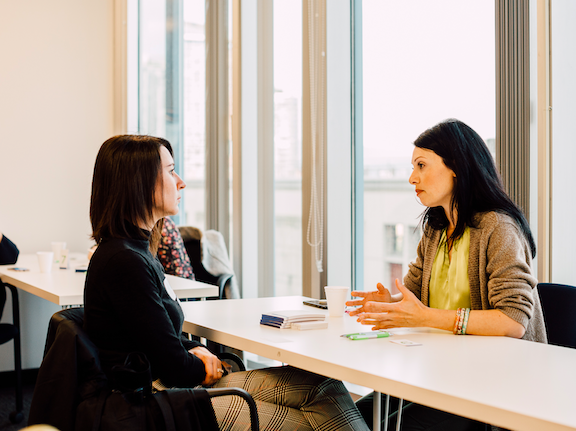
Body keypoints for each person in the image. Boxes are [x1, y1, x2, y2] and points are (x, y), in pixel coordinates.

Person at [84, 135, 369, 431]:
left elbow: (155, 339)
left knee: (324, 386)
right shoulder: (125, 261)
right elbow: (174, 368)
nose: (180, 182)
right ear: (138, 183)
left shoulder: (134, 251)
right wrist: (211, 363)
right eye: (170, 171)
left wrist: (198, 353)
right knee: (310, 423)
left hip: (169, 385)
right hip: (158, 401)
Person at [347, 119, 547, 431]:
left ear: (455, 166)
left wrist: (425, 317)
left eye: (422, 165)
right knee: (350, 418)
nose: (413, 178)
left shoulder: (499, 228)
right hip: (436, 375)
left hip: (489, 386)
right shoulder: (436, 226)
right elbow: (414, 290)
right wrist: (392, 301)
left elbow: (513, 322)